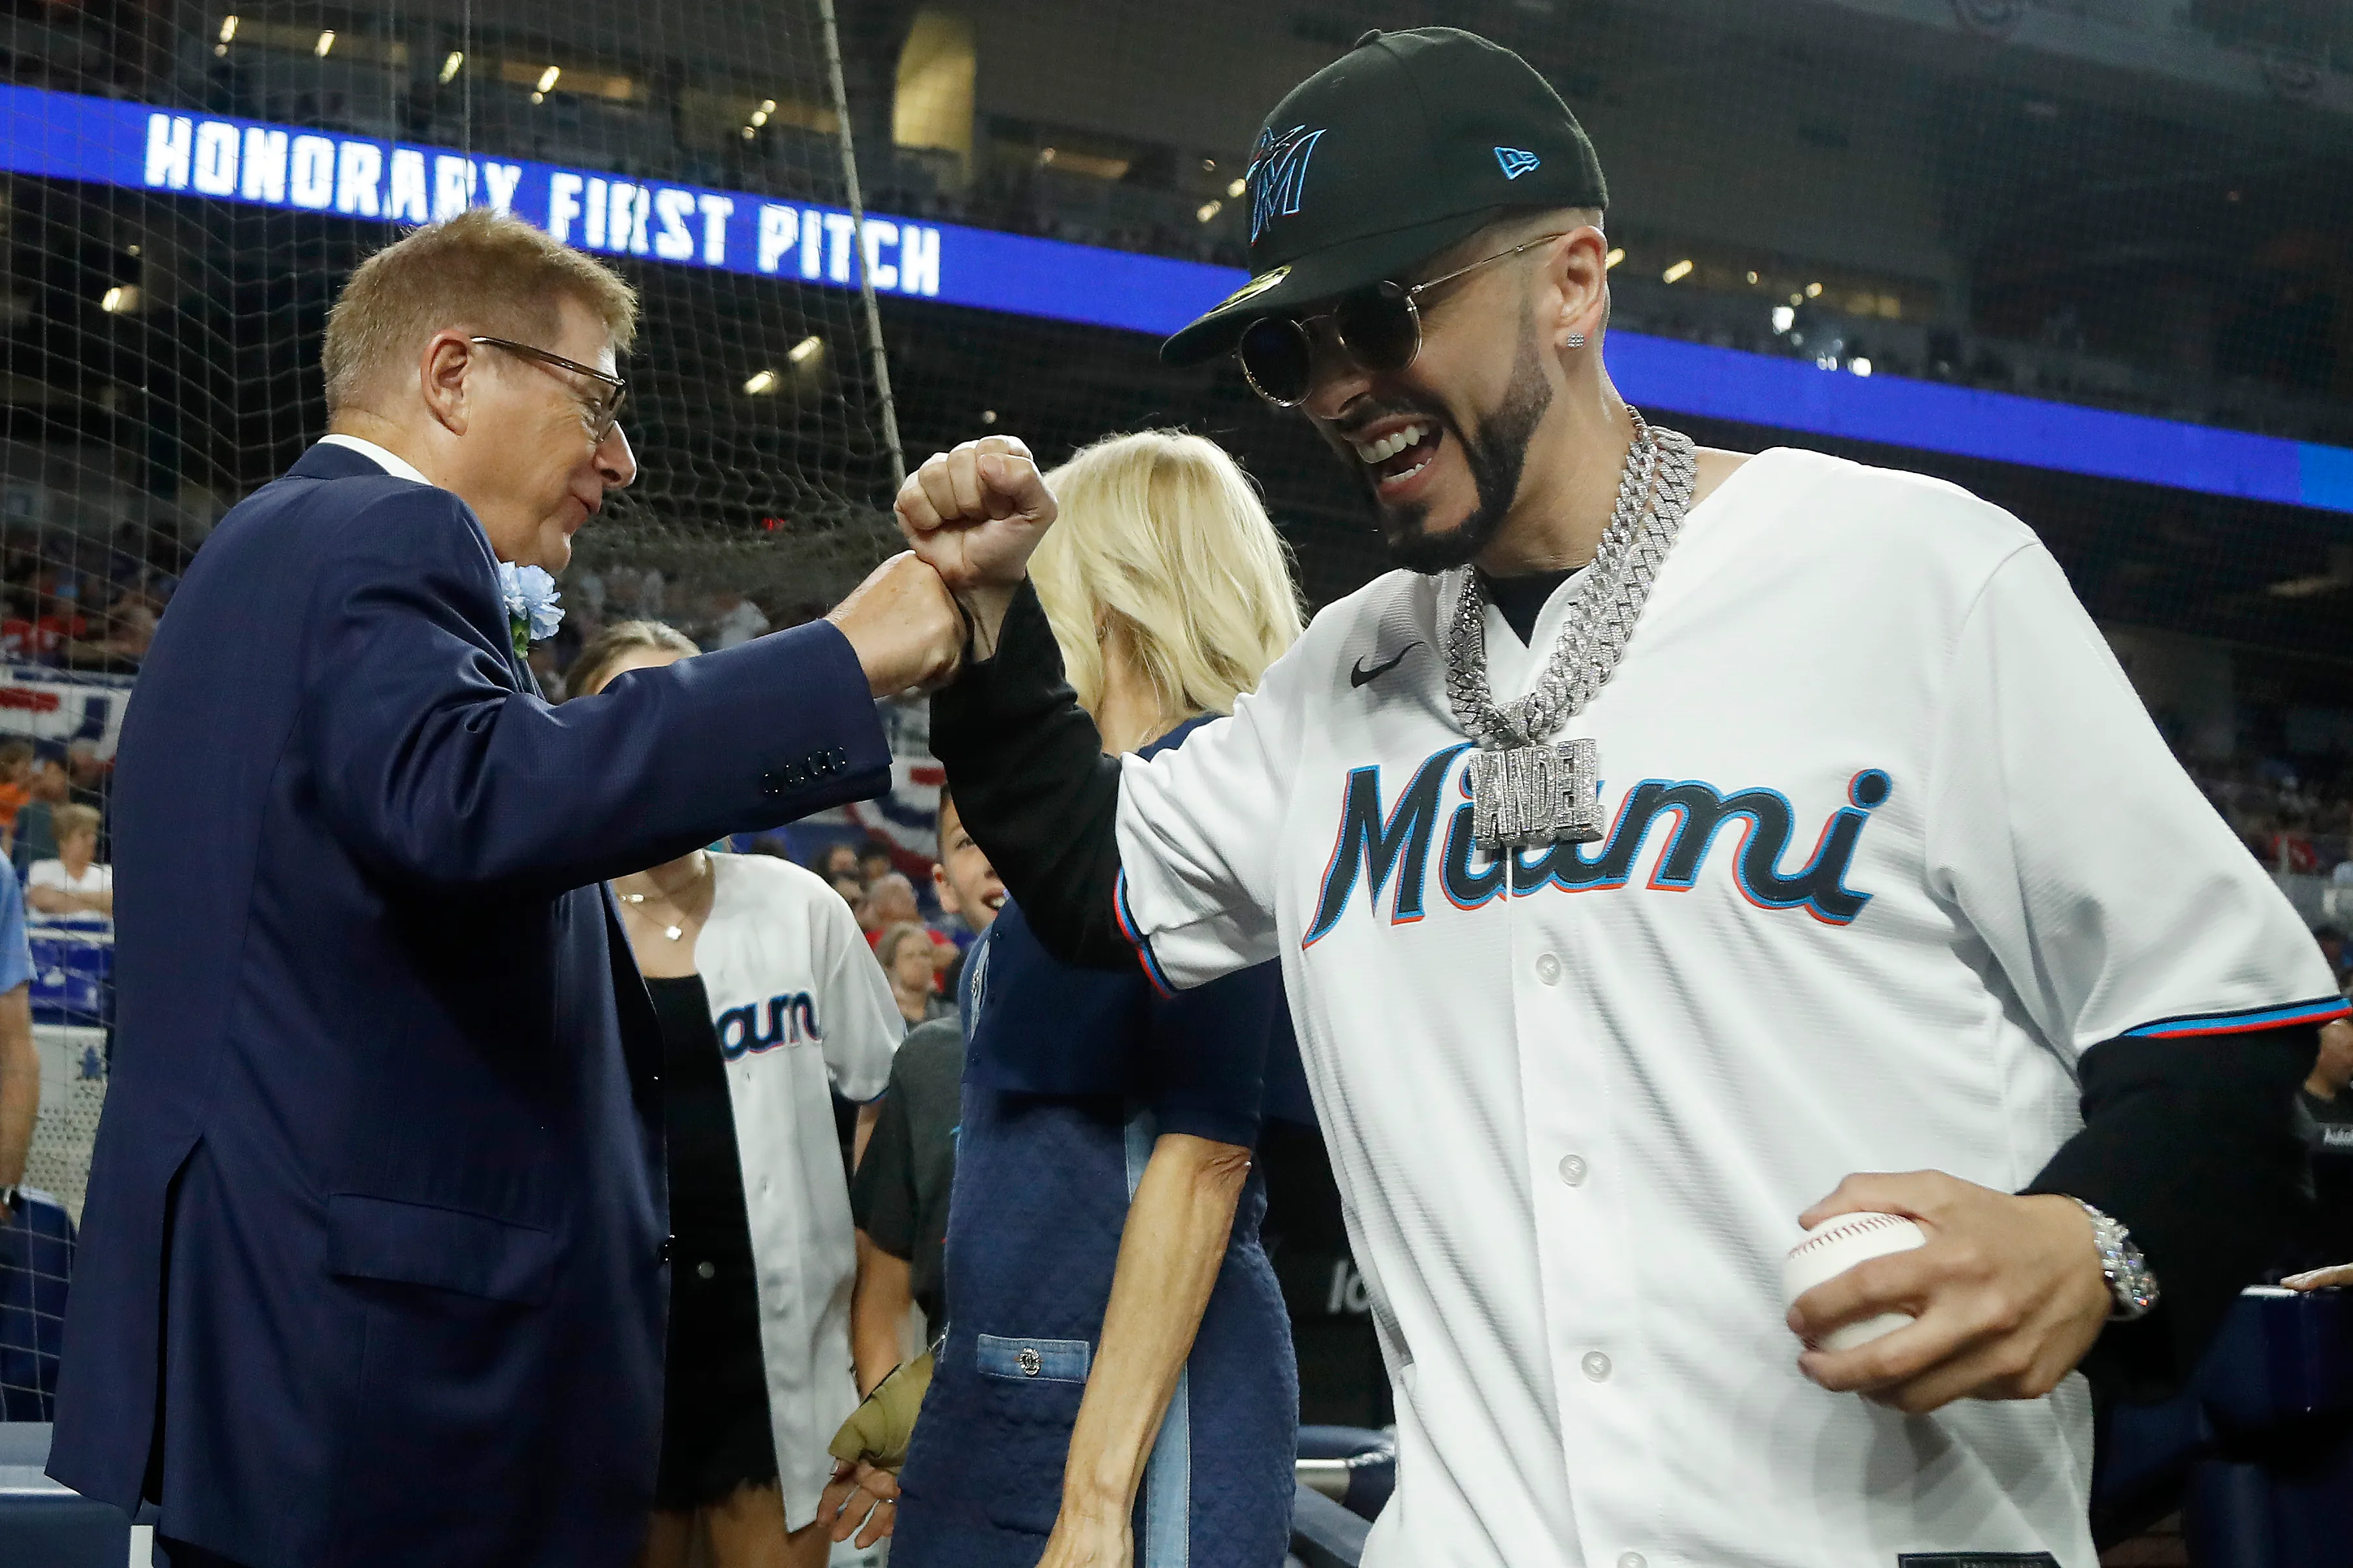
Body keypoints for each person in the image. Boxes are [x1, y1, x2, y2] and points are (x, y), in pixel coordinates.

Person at [896, 30, 2344, 1568]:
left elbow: (2223, 1027)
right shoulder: (1332, 685)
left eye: (1379, 315)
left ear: (1573, 282)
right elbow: (1086, 870)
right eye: (1288, 350)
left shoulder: (1913, 577)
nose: (1335, 386)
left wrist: (2093, 1243)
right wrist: (988, 630)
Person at [46, 207, 961, 1568]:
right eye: (597, 402)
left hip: (299, 1364)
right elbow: (478, 797)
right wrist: (844, 658)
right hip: (380, 1390)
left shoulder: (271, 551)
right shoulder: (382, 535)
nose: (619, 460)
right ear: (452, 372)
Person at [851, 430, 1310, 1568]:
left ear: (1108, 601)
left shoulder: (1216, 806)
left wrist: (1099, 1499)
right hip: (1007, 1412)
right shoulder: (1097, 830)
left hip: (1138, 1446)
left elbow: (1204, 1159)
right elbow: (1041, 1181)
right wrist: (953, 1375)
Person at [567, 622, 905, 1568]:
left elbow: (886, 1105)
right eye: (626, 709)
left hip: (777, 1366)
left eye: (683, 710)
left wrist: (871, 1323)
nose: (658, 736)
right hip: (603, 1360)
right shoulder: (544, 921)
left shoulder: (801, 909)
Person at [849, 782, 1006, 1378]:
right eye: (969, 840)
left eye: (1016, 820)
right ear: (943, 884)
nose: (996, 852)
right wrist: (886, 1424)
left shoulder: (1147, 1030)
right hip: (962, 1407)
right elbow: (883, 1295)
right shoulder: (924, 1061)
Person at [26, 803, 112, 923]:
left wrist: (63, 898)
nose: (93, 840)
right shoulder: (40, 869)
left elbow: (115, 904)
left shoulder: (108, 872)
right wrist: (99, 900)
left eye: (94, 835)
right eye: (84, 835)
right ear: (63, 841)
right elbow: (44, 901)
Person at [879, 922, 954, 1025]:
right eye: (909, 956)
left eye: (925, 955)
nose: (920, 962)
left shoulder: (951, 1015)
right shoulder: (880, 1018)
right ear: (890, 965)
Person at [11, 750, 70, 875]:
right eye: (54, 773)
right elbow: (9, 833)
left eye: (62, 774)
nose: (61, 779)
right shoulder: (28, 808)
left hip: (60, 873)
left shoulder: (72, 813)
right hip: (26, 871)